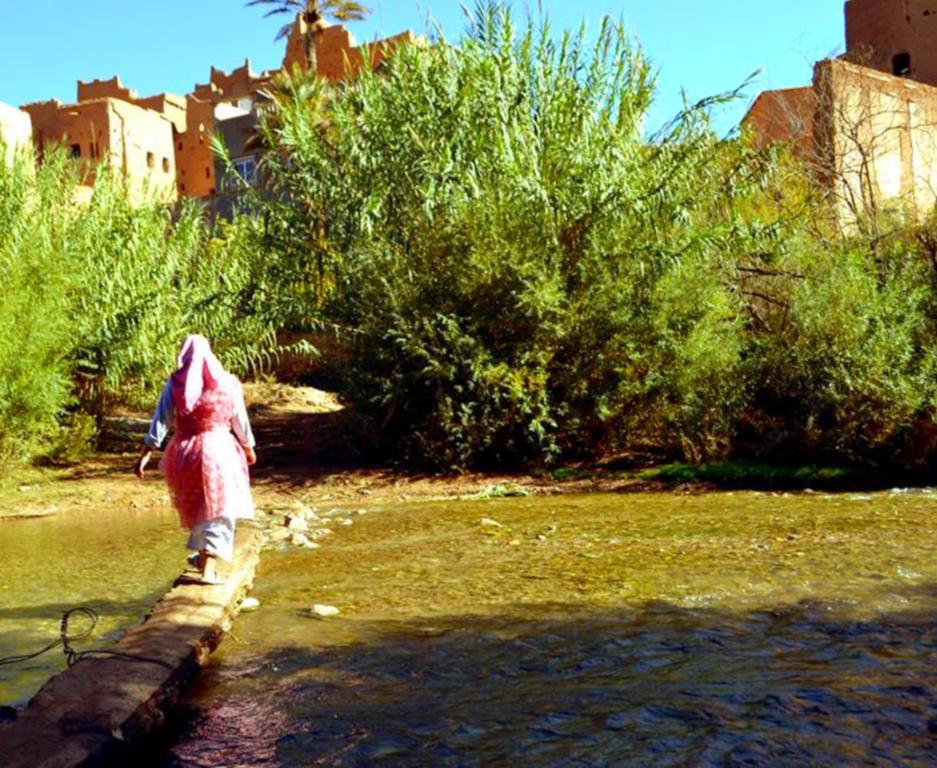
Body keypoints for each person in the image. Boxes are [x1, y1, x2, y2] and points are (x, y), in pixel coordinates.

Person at [135, 334, 257, 584]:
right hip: (219, 450)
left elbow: (162, 418)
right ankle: (208, 568)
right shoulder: (227, 383)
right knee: (219, 508)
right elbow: (239, 419)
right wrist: (248, 446)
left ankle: (203, 559)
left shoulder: (176, 383)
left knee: (199, 506)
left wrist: (147, 452)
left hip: (185, 452)